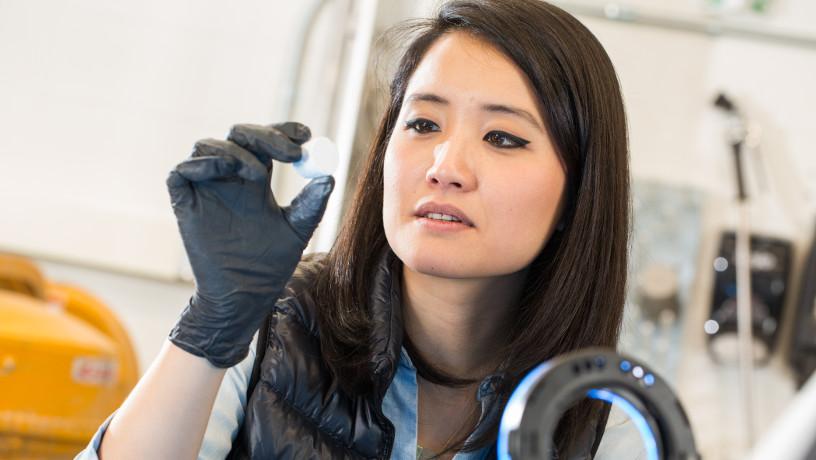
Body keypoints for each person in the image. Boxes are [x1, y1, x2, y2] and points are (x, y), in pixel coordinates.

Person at [76, 0, 637, 458]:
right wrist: (210, 330)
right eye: (422, 123)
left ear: (579, 190)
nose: (444, 166)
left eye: (502, 137)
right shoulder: (272, 323)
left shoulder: (609, 420)